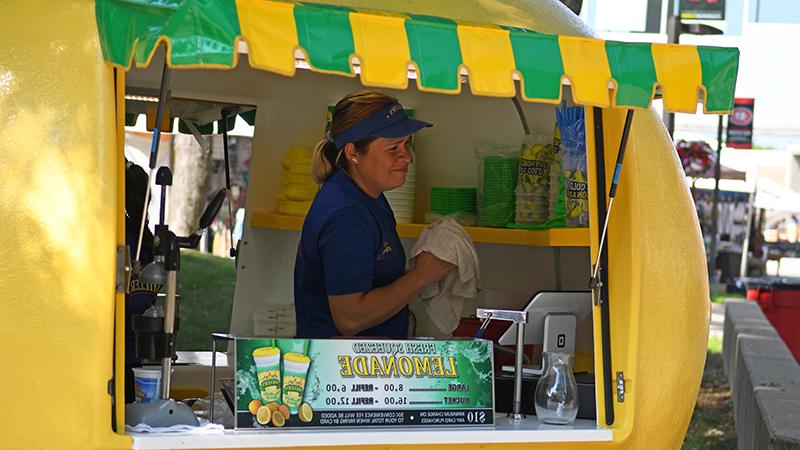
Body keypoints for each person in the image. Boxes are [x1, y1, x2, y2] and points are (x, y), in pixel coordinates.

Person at [294, 91, 455, 338]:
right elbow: (349, 318)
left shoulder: (368, 197)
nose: (407, 157)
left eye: (407, 144)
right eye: (393, 148)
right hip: (339, 371)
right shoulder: (346, 215)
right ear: (353, 153)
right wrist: (422, 275)